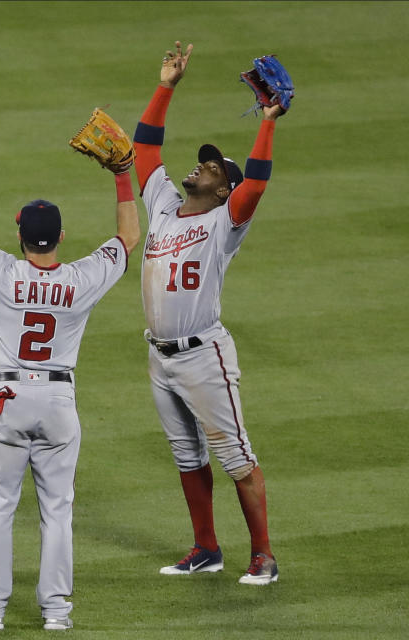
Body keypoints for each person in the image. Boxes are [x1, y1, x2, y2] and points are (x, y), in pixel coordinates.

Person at [0, 114, 140, 630]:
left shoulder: (0, 272)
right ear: (61, 238)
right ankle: (56, 614)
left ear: (20, 236)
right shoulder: (80, 280)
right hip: (58, 406)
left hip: (6, 403)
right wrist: (124, 172)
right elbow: (128, 236)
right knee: (59, 513)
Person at [132, 41, 285, 585]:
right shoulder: (164, 207)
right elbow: (144, 149)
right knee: (185, 455)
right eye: (205, 161)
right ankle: (205, 548)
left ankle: (263, 555)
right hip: (159, 356)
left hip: (203, 356)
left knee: (236, 457)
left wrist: (267, 122)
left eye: (214, 166)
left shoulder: (225, 225)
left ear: (226, 190)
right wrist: (166, 86)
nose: (203, 164)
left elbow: (259, 182)